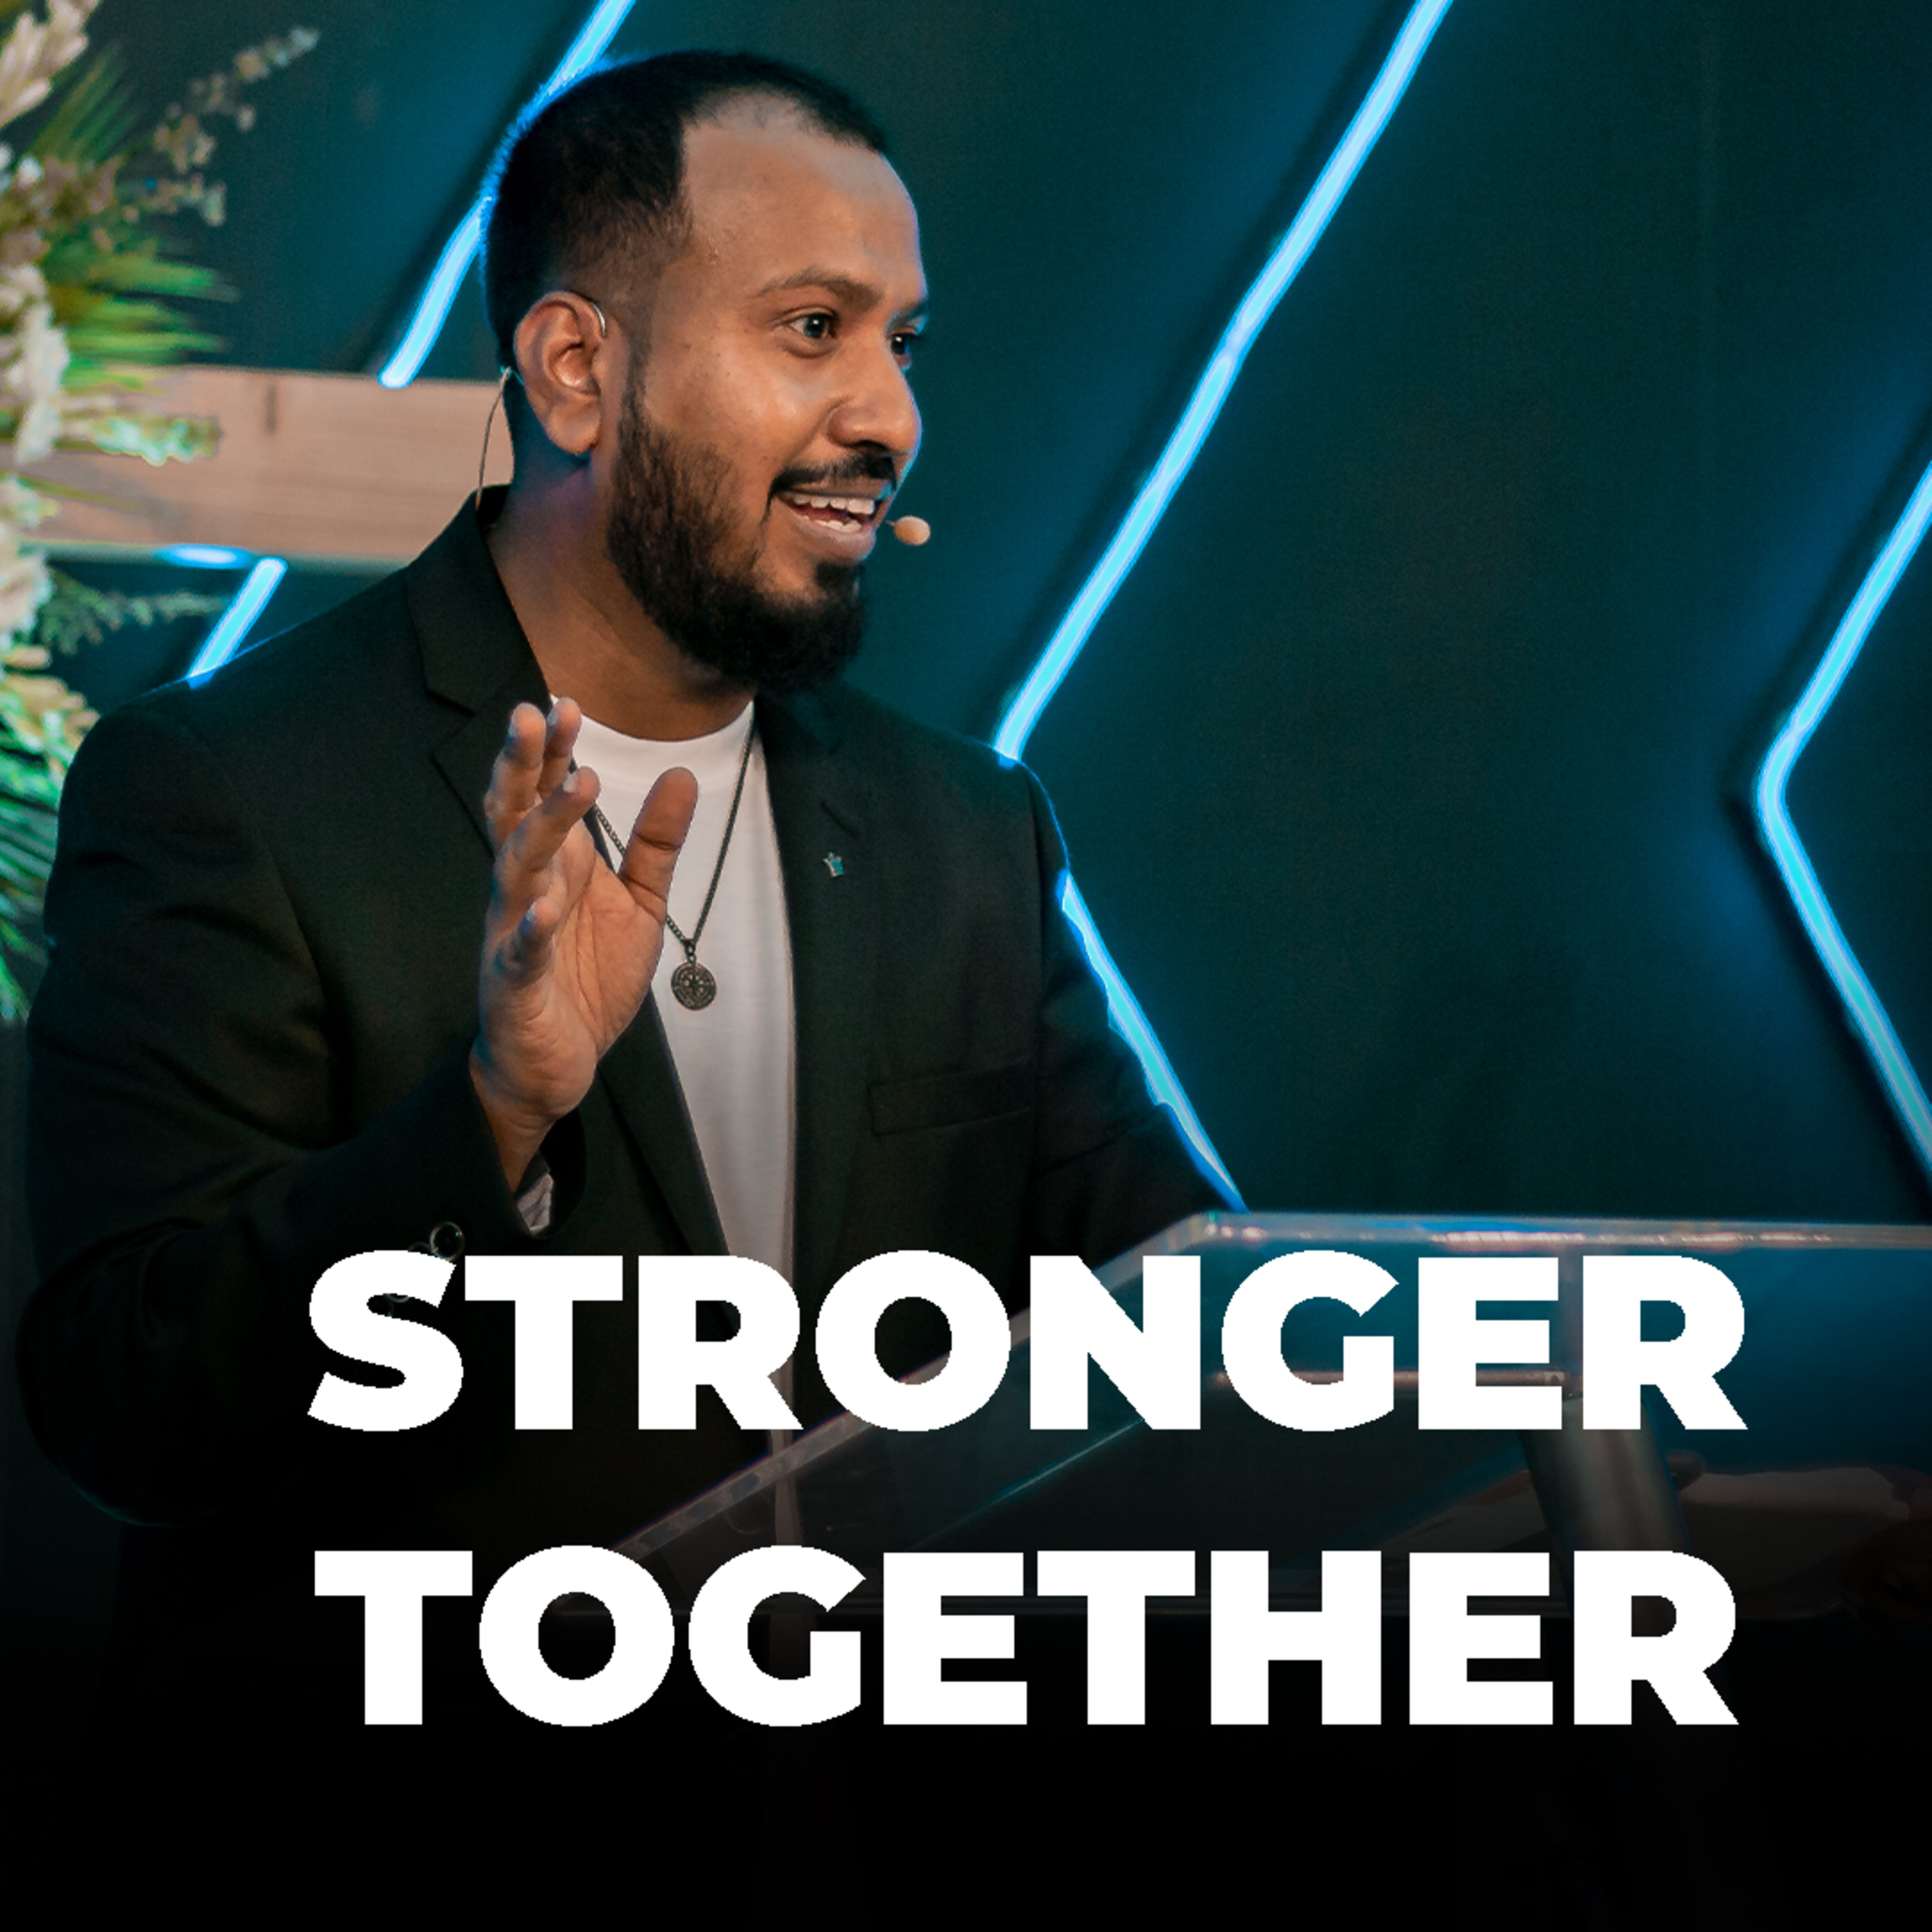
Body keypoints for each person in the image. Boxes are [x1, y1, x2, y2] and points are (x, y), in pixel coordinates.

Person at [17, 52, 1227, 1735]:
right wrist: (493, 1118)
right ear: (577, 368)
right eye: (813, 328)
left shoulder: (965, 832)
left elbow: (1197, 1326)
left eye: (901, 341)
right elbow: (128, 1409)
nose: (888, 416)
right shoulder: (229, 790)